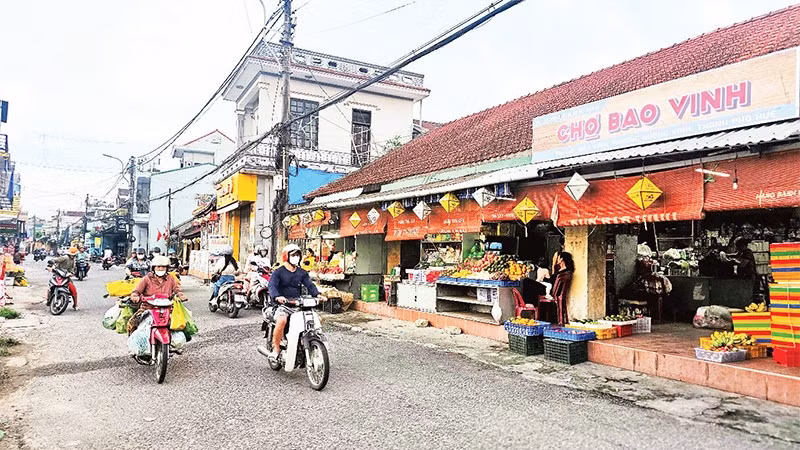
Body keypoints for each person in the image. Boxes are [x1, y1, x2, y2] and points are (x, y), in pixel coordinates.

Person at [266, 244, 321, 361]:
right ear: (286, 256)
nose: (296, 257)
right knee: (282, 321)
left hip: (298, 304)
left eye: (297, 255)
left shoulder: (302, 272)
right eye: (293, 255)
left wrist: (318, 295)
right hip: (283, 305)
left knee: (316, 320)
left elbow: (310, 285)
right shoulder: (278, 272)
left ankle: (305, 343)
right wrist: (277, 296)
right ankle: (276, 349)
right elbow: (272, 285)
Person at [550, 251, 575, 325]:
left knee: (527, 281)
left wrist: (553, 265)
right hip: (557, 291)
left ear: (561, 259)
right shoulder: (567, 271)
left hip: (552, 291)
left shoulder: (561, 273)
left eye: (558, 257)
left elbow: (552, 280)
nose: (557, 259)